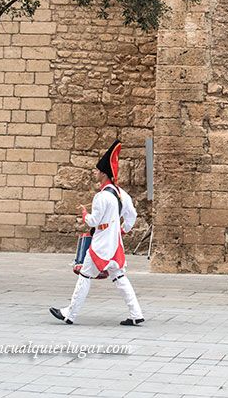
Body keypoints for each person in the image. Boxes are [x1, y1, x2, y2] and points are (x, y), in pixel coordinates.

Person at [50, 139, 145, 326]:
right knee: (120, 277)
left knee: (85, 275)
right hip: (115, 244)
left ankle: (70, 314)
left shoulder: (100, 197)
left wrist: (85, 215)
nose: (94, 172)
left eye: (96, 170)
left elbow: (94, 221)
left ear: (103, 174)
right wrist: (122, 230)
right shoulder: (121, 195)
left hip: (100, 244)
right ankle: (136, 313)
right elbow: (132, 216)